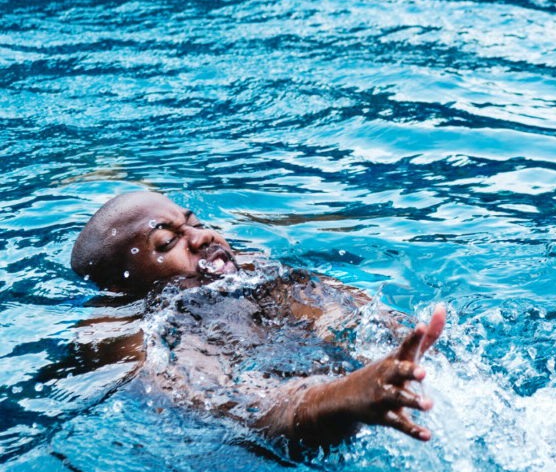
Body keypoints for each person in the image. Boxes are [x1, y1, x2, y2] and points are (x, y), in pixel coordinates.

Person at [70, 190, 445, 449]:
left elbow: (341, 314)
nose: (202, 237)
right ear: (123, 287)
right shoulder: (130, 334)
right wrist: (345, 396)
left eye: (194, 222)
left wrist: (401, 341)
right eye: (168, 243)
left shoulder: (249, 271)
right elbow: (235, 407)